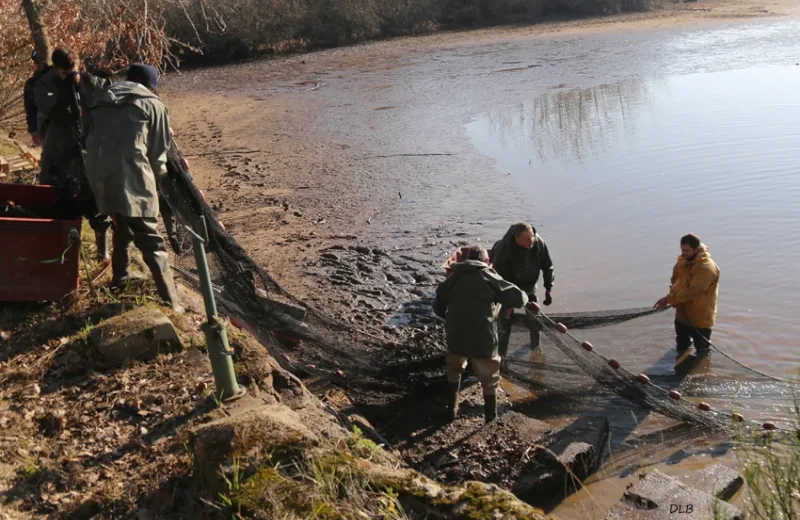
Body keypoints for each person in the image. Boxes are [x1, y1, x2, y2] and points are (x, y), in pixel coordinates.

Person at [84, 63, 182, 311]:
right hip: (133, 177)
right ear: (150, 85)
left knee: (121, 226)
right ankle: (172, 303)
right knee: (151, 240)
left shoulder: (99, 100)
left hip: (99, 177)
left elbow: (87, 138)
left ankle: (120, 278)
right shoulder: (154, 104)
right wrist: (162, 182)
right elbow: (158, 153)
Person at [433, 245, 529, 422]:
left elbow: (438, 306)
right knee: (490, 378)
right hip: (483, 340)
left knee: (454, 371)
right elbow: (519, 298)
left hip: (456, 337)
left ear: (467, 259)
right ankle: (490, 417)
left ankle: (451, 411)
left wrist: (451, 319)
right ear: (486, 261)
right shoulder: (489, 275)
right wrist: (526, 296)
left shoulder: (453, 277)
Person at [33, 47, 112, 260]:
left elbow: (104, 93)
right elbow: (45, 105)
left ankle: (102, 254)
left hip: (87, 151)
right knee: (59, 200)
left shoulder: (84, 78)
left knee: (97, 201)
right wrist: (66, 91)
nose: (70, 77)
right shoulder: (44, 83)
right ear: (56, 69)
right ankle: (64, 253)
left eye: (73, 71)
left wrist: (82, 82)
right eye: (65, 74)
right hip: (58, 151)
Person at [490, 222, 555, 356]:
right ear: (516, 238)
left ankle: (536, 349)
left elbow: (548, 266)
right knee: (504, 320)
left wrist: (548, 288)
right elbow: (501, 280)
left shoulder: (538, 242)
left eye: (532, 236)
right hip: (509, 286)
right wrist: (508, 302)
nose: (531, 241)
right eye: (527, 239)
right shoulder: (504, 249)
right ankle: (501, 355)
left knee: (535, 319)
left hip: (529, 286)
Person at [654, 234, 720, 357]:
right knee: (682, 344)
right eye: (682, 249)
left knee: (702, 352)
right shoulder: (682, 261)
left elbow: (693, 292)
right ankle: (680, 366)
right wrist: (672, 298)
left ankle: (699, 371)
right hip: (682, 314)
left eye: (687, 250)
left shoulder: (706, 268)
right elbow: (675, 281)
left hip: (700, 317)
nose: (683, 253)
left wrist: (668, 299)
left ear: (696, 249)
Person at [23, 49, 51, 147]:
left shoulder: (31, 83)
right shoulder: (31, 83)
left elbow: (30, 108)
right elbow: (30, 108)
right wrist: (33, 130)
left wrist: (33, 130)